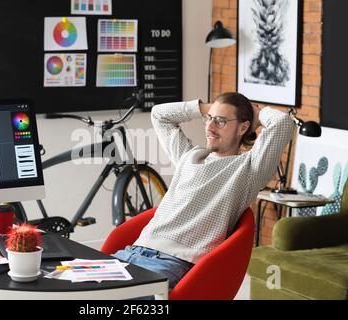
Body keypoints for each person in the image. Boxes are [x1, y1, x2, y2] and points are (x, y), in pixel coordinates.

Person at [113, 92, 295, 294]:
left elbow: (282, 123)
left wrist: (255, 113)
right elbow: (159, 115)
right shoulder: (188, 155)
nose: (210, 127)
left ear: (243, 127)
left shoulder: (249, 169)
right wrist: (207, 108)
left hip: (171, 263)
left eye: (221, 121)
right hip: (132, 251)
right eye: (209, 119)